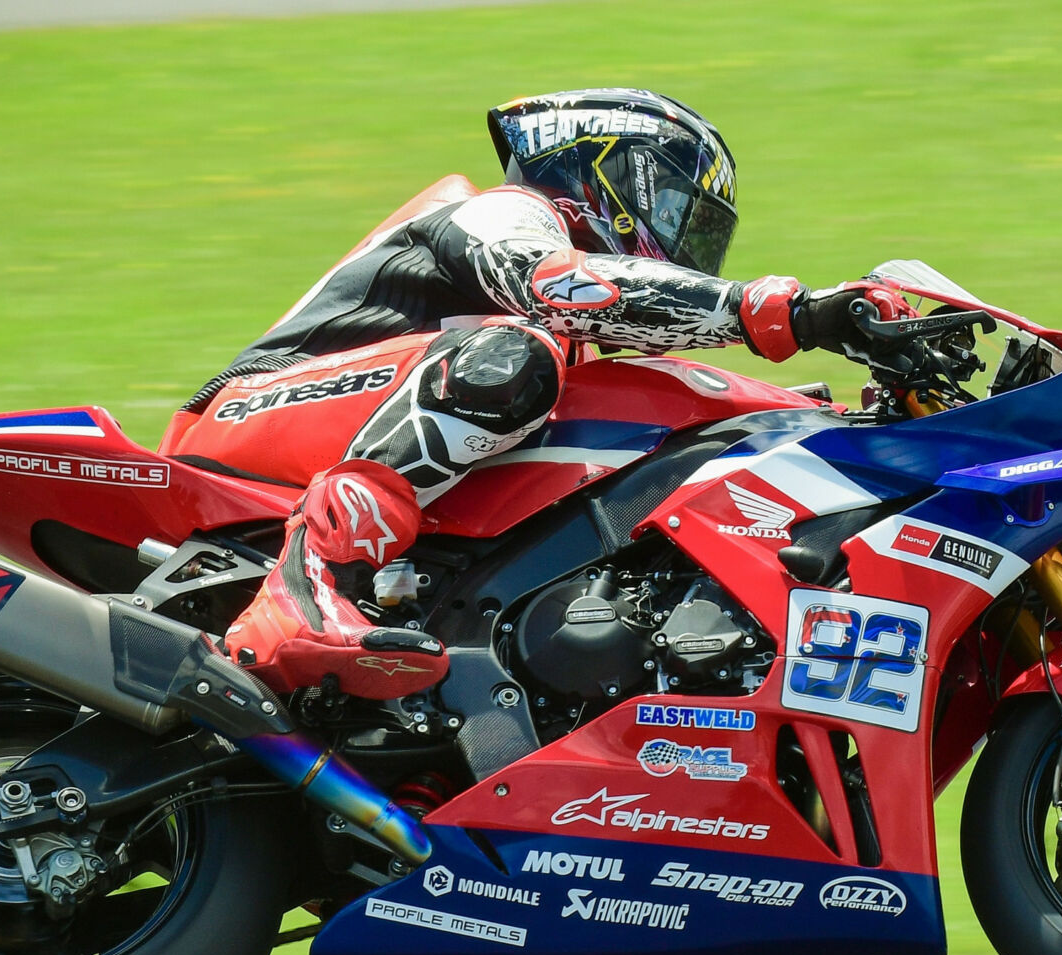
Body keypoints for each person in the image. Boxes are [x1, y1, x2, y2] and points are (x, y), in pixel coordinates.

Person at [194, 87, 914, 699]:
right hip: (246, 419)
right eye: (675, 207)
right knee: (514, 360)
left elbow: (675, 383)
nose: (686, 241)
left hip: (337, 423)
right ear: (609, 169)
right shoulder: (501, 211)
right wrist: (784, 311)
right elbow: (558, 286)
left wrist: (824, 420)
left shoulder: (567, 318)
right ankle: (305, 584)